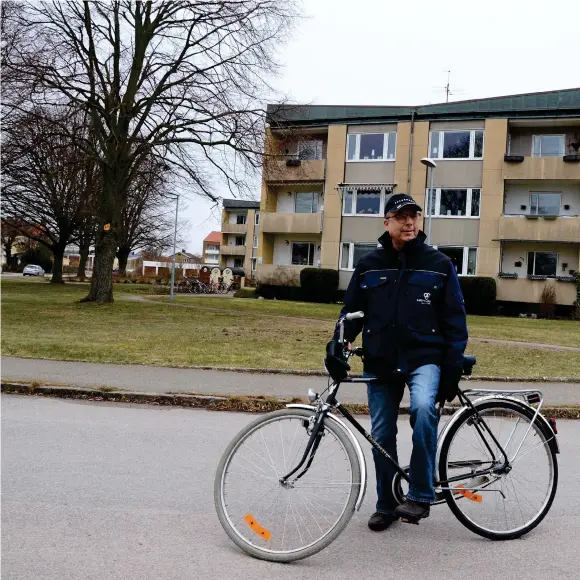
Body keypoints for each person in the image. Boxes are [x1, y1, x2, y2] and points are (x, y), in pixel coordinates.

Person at [325, 193, 468, 531]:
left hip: (425, 358)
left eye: (414, 216)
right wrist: (338, 343)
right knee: (382, 433)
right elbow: (352, 313)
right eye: (401, 216)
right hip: (381, 361)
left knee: (422, 410)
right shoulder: (369, 264)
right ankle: (386, 504)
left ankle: (420, 494)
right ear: (386, 222)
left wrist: (451, 367)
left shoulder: (439, 264)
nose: (409, 222)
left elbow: (455, 320)